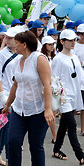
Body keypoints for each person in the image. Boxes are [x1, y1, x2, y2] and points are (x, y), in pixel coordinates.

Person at [2, 30, 55, 166]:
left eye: (17, 43)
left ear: (24, 44)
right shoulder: (17, 60)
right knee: (13, 142)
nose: (14, 45)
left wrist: (48, 109)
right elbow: (15, 85)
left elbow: (47, 85)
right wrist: (8, 105)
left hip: (38, 111)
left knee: (36, 146)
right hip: (19, 110)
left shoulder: (39, 59)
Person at [0, 27, 22, 165]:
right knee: (8, 125)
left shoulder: (21, 54)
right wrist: (2, 95)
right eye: (6, 37)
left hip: (17, 95)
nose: (6, 40)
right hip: (5, 94)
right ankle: (8, 157)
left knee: (7, 125)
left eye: (10, 38)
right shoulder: (1, 54)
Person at [52, 29, 84, 164]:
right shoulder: (57, 59)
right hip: (64, 97)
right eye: (70, 40)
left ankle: (56, 149)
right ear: (62, 41)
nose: (73, 43)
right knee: (71, 124)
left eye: (74, 40)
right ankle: (80, 155)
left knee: (64, 124)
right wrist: (56, 100)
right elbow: (53, 79)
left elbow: (80, 77)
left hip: (75, 94)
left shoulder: (75, 57)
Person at [75, 24, 84, 136]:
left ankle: (83, 129)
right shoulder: (75, 46)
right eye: (81, 34)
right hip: (78, 77)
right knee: (76, 107)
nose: (82, 36)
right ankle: (65, 125)